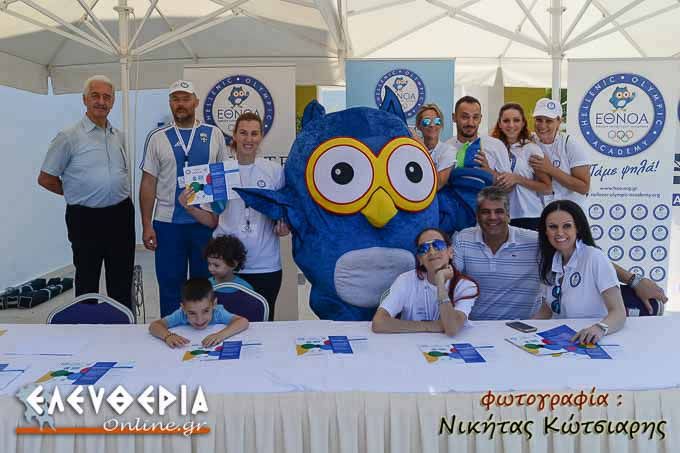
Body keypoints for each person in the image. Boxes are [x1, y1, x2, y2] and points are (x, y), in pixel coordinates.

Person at [453, 187, 667, 320]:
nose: (492, 217)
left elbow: (590, 257)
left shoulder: (534, 240)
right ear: (477, 215)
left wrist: (634, 280)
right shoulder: (463, 239)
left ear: (509, 215)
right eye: (486, 212)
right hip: (477, 326)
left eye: (499, 211)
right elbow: (453, 281)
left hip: (522, 326)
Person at [179, 112, 289, 321]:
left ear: (261, 136)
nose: (249, 139)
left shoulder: (274, 172)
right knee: (223, 324)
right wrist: (189, 208)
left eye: (254, 134)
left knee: (263, 324)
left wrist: (284, 228)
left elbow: (282, 215)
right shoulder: (219, 172)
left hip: (265, 265)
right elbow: (213, 221)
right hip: (226, 265)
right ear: (235, 135)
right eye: (243, 133)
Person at [38, 75, 135, 308]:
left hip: (121, 214)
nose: (101, 101)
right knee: (87, 279)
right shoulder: (68, 137)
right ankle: (86, 327)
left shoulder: (119, 136)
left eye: (107, 97)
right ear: (85, 99)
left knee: (122, 279)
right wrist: (76, 192)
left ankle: (122, 326)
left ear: (112, 102)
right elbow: (46, 178)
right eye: (95, 96)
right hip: (85, 218)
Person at [139, 80, 228, 317]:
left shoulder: (214, 134)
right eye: (175, 99)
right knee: (170, 285)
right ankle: (171, 329)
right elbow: (148, 183)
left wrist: (220, 220)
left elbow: (220, 180)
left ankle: (204, 330)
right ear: (170, 103)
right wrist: (146, 224)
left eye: (186, 99)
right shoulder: (157, 137)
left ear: (196, 102)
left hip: (204, 224)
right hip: (167, 224)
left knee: (205, 286)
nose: (181, 104)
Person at [533, 200, 625, 344]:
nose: (559, 232)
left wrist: (600, 328)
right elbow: (547, 309)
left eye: (567, 226)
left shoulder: (595, 257)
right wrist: (523, 329)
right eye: (553, 227)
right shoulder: (551, 261)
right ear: (545, 231)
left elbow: (619, 313)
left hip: (593, 341)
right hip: (563, 340)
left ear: (578, 228)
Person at [371, 228, 479, 336]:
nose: (432, 252)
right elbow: (379, 323)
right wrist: (430, 326)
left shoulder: (466, 286)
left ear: (450, 252)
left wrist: (440, 283)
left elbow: (452, 329)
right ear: (420, 259)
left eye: (438, 245)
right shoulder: (405, 280)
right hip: (410, 342)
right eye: (424, 248)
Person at [491, 103, 551, 231]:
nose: (511, 125)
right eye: (506, 121)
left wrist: (518, 179)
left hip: (530, 215)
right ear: (500, 124)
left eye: (516, 120)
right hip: (499, 216)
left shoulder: (531, 149)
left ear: (523, 123)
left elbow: (547, 188)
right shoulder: (492, 149)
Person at [149, 278, 248, 348]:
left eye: (205, 311)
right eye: (192, 313)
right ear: (183, 308)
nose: (199, 320)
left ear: (214, 304)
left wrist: (220, 335)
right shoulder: (181, 314)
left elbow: (243, 321)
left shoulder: (218, 312)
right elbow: (154, 325)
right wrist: (168, 336)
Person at [529, 98, 591, 207]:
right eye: (539, 120)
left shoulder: (570, 145)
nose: (542, 125)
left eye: (548, 121)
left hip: (570, 210)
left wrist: (550, 169)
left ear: (559, 121)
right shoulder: (529, 141)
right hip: (540, 210)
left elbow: (584, 188)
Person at [445, 96, 511, 180]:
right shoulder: (446, 148)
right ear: (454, 117)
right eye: (465, 117)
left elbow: (509, 185)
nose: (470, 123)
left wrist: (489, 171)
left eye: (475, 117)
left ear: (480, 119)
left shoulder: (496, 146)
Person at [413, 104, 457, 188]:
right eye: (426, 121)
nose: (432, 125)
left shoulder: (448, 150)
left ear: (441, 125)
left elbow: (438, 184)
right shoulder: (413, 150)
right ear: (419, 126)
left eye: (437, 121)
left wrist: (422, 147)